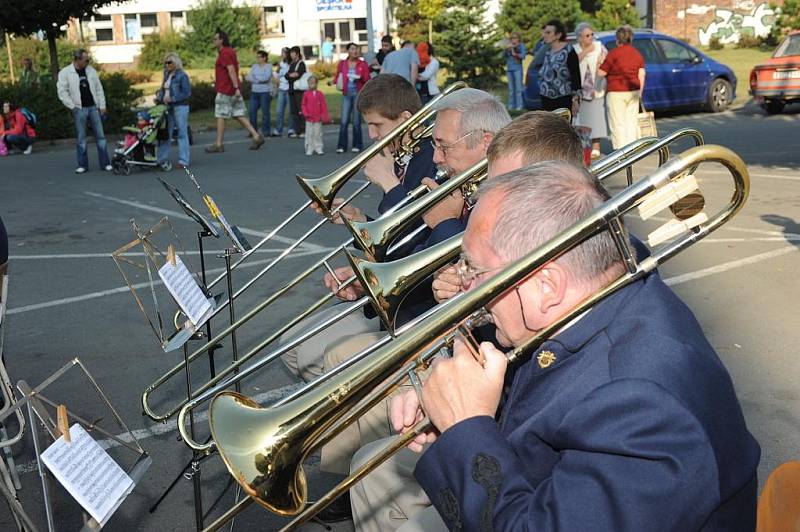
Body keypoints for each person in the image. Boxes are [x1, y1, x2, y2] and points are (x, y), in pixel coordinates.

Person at [351, 160, 761, 532]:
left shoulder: (642, 404)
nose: (464, 287)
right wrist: (449, 411)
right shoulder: (596, 284)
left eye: (473, 269)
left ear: (547, 286)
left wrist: (465, 426)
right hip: (546, 488)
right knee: (376, 475)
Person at [279, 74, 439, 384]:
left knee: (324, 361)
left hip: (412, 305)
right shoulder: (402, 157)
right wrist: (357, 218)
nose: (371, 134)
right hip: (386, 295)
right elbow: (392, 235)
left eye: (378, 125)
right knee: (292, 346)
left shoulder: (432, 162)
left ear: (405, 119)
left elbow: (421, 241)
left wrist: (390, 183)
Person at [205, 30, 265, 153]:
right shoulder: (230, 51)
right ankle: (256, 136)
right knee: (238, 114)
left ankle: (218, 144)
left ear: (221, 40)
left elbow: (231, 70)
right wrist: (237, 88)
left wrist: (235, 87)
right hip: (233, 89)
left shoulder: (224, 53)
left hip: (226, 89)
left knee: (221, 115)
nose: (214, 41)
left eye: (215, 39)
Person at [57, 49, 112, 173]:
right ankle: (82, 165)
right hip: (79, 108)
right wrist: (72, 106)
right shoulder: (66, 72)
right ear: (77, 60)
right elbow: (62, 92)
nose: (88, 62)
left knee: (101, 136)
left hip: (93, 107)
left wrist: (102, 105)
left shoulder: (91, 70)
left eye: (88, 60)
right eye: (86, 60)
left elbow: (99, 89)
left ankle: (105, 163)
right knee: (81, 137)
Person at [598, 25, 646, 150]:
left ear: (617, 39)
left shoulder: (613, 54)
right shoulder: (637, 54)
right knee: (631, 122)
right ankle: (632, 148)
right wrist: (640, 92)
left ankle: (620, 151)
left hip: (616, 91)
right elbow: (641, 74)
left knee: (617, 122)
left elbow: (601, 73)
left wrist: (599, 63)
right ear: (631, 39)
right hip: (634, 90)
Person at [573, 22, 608, 159]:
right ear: (580, 38)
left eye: (592, 34)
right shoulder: (575, 49)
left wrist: (601, 62)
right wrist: (586, 51)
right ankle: (583, 147)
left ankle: (596, 147)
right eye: (587, 35)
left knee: (596, 119)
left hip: (596, 88)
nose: (591, 37)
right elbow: (573, 64)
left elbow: (607, 63)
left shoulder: (600, 47)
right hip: (580, 90)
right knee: (580, 120)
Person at [331, 42, 369, 153]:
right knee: (344, 121)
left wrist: (360, 77)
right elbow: (338, 76)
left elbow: (367, 79)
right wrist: (332, 82)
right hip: (346, 94)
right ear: (348, 51)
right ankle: (341, 146)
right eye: (352, 49)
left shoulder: (362, 64)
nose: (355, 51)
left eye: (357, 49)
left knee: (356, 121)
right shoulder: (342, 63)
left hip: (358, 94)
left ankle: (357, 145)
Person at [156, 52, 191, 170]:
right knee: (166, 133)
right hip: (168, 107)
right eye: (165, 63)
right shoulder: (166, 74)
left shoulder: (182, 76)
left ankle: (183, 160)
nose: (167, 65)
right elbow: (163, 89)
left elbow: (186, 93)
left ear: (175, 62)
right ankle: (161, 158)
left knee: (182, 133)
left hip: (180, 106)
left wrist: (173, 98)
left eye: (169, 62)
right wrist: (159, 97)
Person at [538, 19, 581, 115]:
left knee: (562, 128)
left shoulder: (568, 51)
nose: (545, 35)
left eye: (548, 32)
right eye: (544, 32)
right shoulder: (547, 51)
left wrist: (575, 99)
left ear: (558, 35)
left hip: (563, 98)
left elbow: (576, 76)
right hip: (546, 99)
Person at [246, 50, 274, 140]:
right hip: (254, 92)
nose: (257, 59)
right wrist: (258, 80)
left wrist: (255, 79)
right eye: (257, 57)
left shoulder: (268, 66)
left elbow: (266, 78)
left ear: (264, 58)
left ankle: (266, 132)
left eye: (259, 57)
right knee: (251, 111)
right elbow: (248, 77)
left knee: (265, 112)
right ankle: (253, 131)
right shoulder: (254, 66)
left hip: (265, 92)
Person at [301, 75, 330, 156]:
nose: (312, 85)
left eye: (313, 83)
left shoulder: (320, 94)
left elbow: (323, 105)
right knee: (309, 133)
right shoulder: (306, 94)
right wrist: (306, 114)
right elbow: (303, 105)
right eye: (310, 83)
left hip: (318, 118)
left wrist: (324, 116)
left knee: (318, 133)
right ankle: (309, 148)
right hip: (309, 118)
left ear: (316, 84)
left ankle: (318, 147)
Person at [285, 46, 307, 139]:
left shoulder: (301, 64)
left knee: (300, 110)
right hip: (291, 90)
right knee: (293, 111)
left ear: (297, 53)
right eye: (290, 53)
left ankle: (303, 130)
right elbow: (287, 75)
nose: (291, 55)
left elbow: (298, 74)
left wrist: (290, 75)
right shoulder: (292, 64)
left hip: (299, 91)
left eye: (293, 53)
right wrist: (290, 75)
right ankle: (296, 130)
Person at [504, 32, 527, 111]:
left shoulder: (521, 46)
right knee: (511, 89)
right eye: (512, 38)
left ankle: (520, 106)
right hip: (509, 69)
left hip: (517, 69)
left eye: (515, 38)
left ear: (519, 39)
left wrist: (514, 52)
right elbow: (504, 56)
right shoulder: (509, 46)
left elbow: (523, 56)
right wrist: (507, 49)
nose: (514, 40)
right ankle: (511, 106)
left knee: (518, 89)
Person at [272, 48, 292, 137]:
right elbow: (275, 73)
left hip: (289, 89)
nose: (282, 55)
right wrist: (277, 80)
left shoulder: (292, 64)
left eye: (283, 53)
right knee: (279, 111)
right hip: (281, 89)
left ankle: (291, 129)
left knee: (290, 110)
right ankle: (278, 130)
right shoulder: (281, 63)